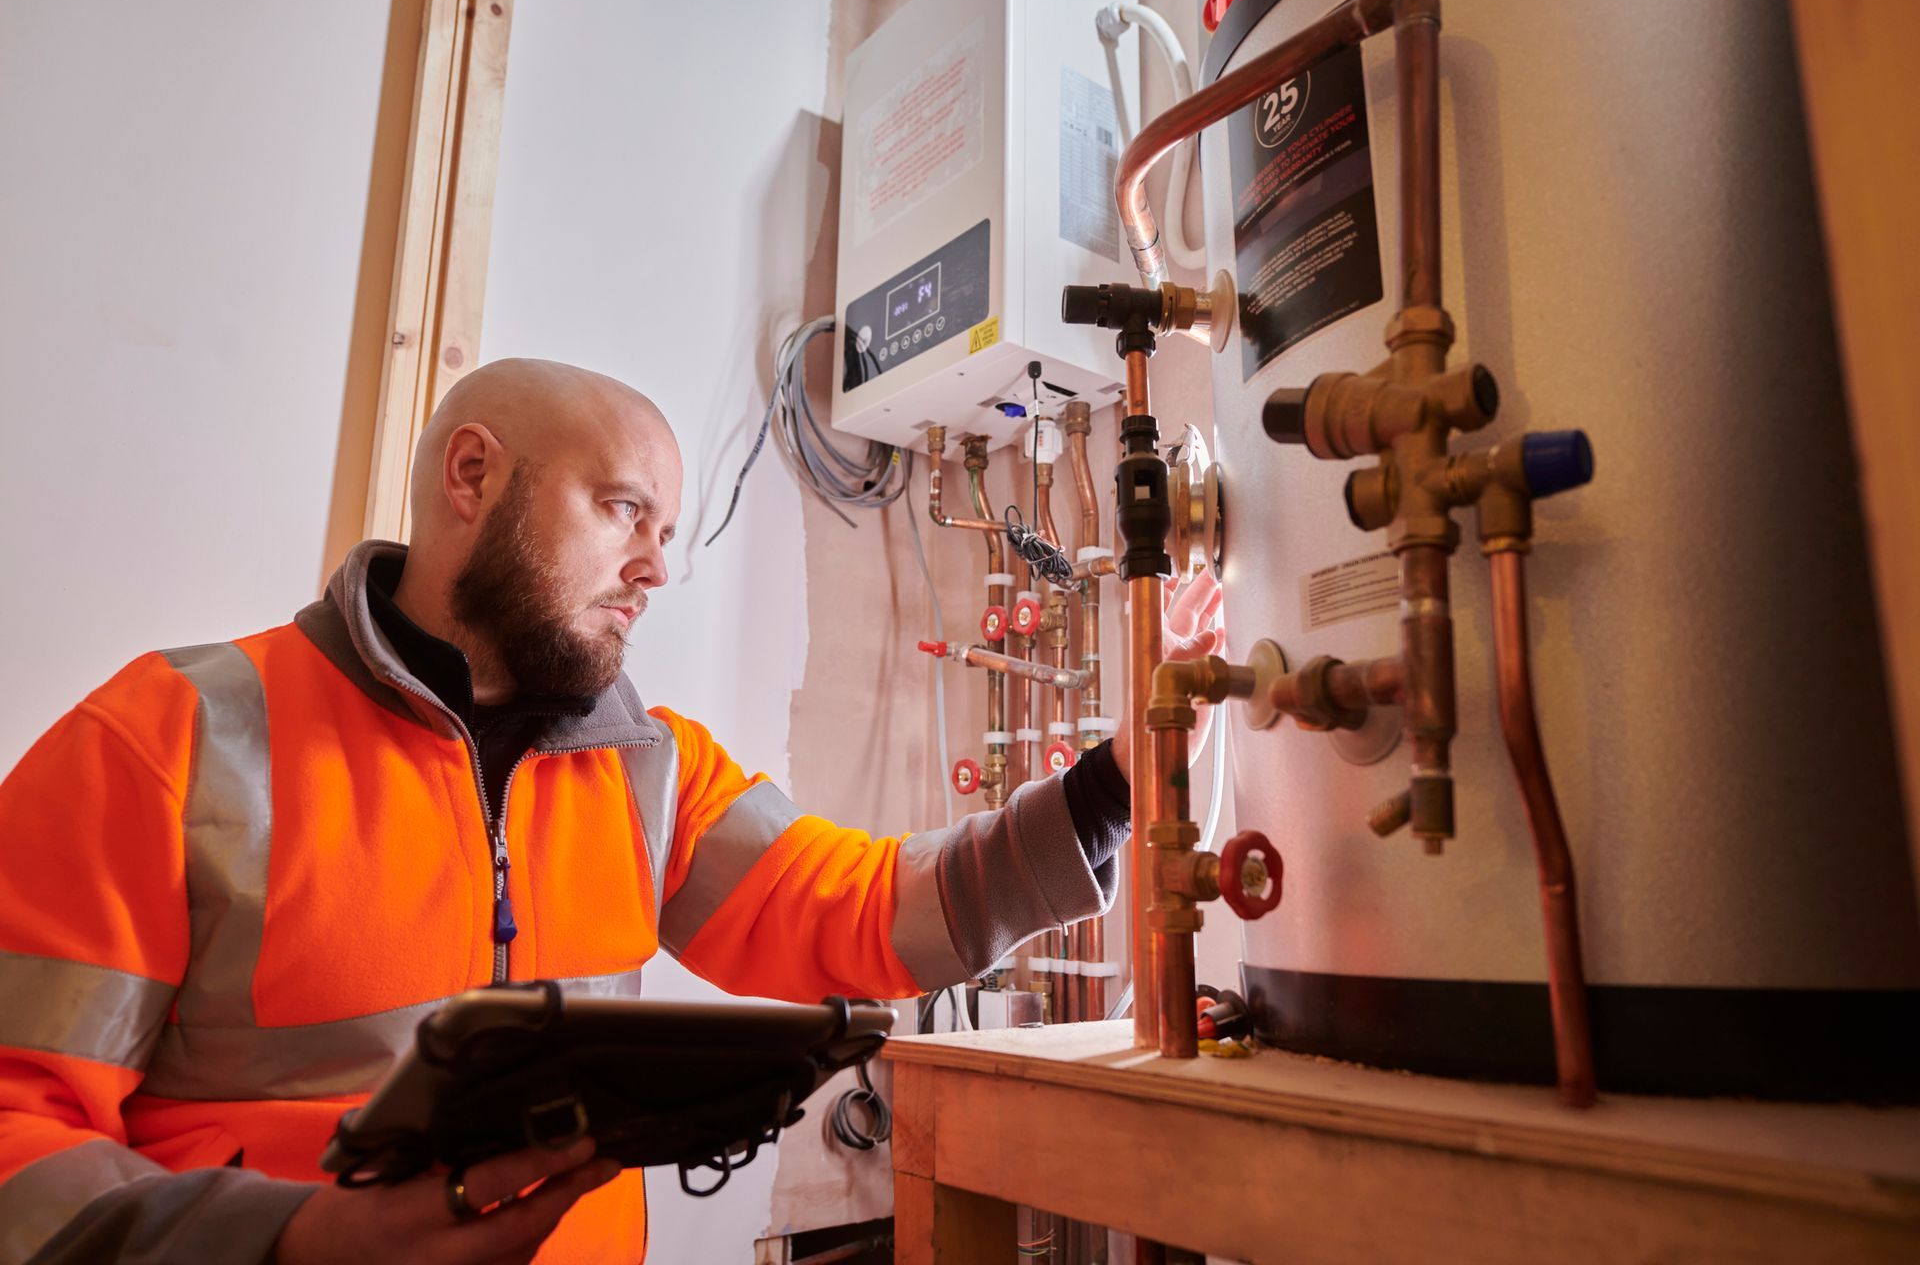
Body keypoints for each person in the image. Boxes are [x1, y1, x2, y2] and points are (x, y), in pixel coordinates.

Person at [0, 359, 1222, 1264]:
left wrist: (1117, 778)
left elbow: (868, 909)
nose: (658, 565)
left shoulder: (651, 767)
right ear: (472, 474)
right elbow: (15, 1136)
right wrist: (292, 1244)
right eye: (623, 509)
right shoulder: (167, 738)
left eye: (670, 530)